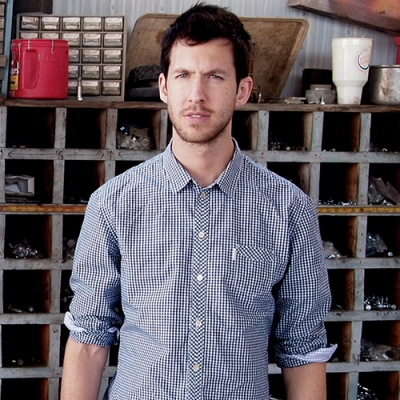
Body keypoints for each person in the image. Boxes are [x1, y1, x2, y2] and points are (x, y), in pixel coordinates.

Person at [60, 3, 336, 399]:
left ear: (242, 90)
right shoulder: (113, 204)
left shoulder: (289, 209)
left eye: (215, 77)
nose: (196, 95)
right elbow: (89, 336)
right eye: (183, 75)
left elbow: (303, 347)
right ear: (164, 87)